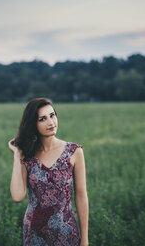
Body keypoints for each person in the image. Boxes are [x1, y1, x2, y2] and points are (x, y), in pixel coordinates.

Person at [8, 97, 89, 246]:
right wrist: (17, 155)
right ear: (33, 124)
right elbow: (17, 196)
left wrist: (84, 239)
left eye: (52, 115)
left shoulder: (74, 152)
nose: (51, 122)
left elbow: (81, 196)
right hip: (34, 234)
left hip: (66, 233)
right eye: (42, 119)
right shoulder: (28, 155)